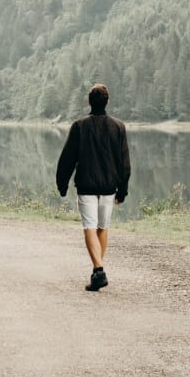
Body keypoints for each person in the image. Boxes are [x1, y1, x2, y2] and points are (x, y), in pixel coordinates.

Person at [55, 84, 131, 291]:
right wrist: (122, 190)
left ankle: (98, 269)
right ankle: (98, 271)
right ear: (107, 102)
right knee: (102, 228)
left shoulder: (79, 126)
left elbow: (67, 159)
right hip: (109, 186)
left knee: (89, 226)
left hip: (86, 185)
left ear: (90, 102)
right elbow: (124, 162)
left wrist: (62, 184)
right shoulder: (118, 127)